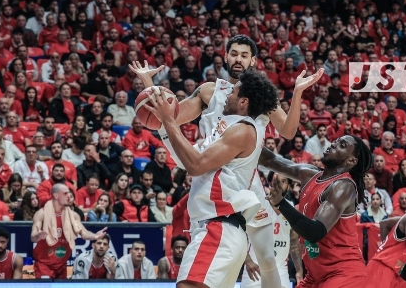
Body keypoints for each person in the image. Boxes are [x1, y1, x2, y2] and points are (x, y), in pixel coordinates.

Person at [131, 34, 323, 288]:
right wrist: (149, 87)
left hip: (239, 183)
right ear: (226, 56)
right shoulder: (211, 91)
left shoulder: (256, 99)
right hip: (210, 169)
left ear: (253, 61)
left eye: (244, 55)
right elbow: (170, 117)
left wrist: (297, 93)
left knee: (267, 257)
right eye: (234, 53)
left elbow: (288, 131)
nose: (238, 59)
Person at [146, 69, 280, 288]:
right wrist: (163, 122)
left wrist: (168, 120)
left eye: (233, 92)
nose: (227, 94)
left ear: (244, 102)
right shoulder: (228, 129)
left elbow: (195, 165)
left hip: (218, 228)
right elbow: (186, 159)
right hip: (219, 230)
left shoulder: (243, 131)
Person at [260, 135, 372, 287]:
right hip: (315, 275)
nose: (334, 144)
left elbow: (315, 232)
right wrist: (249, 133)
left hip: (343, 274)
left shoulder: (343, 186)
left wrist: (281, 203)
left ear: (351, 161)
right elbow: (269, 160)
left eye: (342, 145)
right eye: (336, 141)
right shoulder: (309, 174)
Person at [31, 183, 108, 278]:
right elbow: (33, 237)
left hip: (62, 265)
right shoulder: (41, 214)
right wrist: (37, 236)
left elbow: (84, 233)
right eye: (65, 193)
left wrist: (95, 236)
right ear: (56, 195)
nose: (69, 196)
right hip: (44, 265)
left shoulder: (73, 215)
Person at [241, 173, 303, 288]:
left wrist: (299, 271)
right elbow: (240, 234)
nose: (279, 184)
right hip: (255, 268)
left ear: (288, 185)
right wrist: (247, 259)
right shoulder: (256, 205)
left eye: (283, 181)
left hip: (280, 269)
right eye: (276, 180)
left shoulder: (292, 209)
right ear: (270, 183)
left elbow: (294, 243)